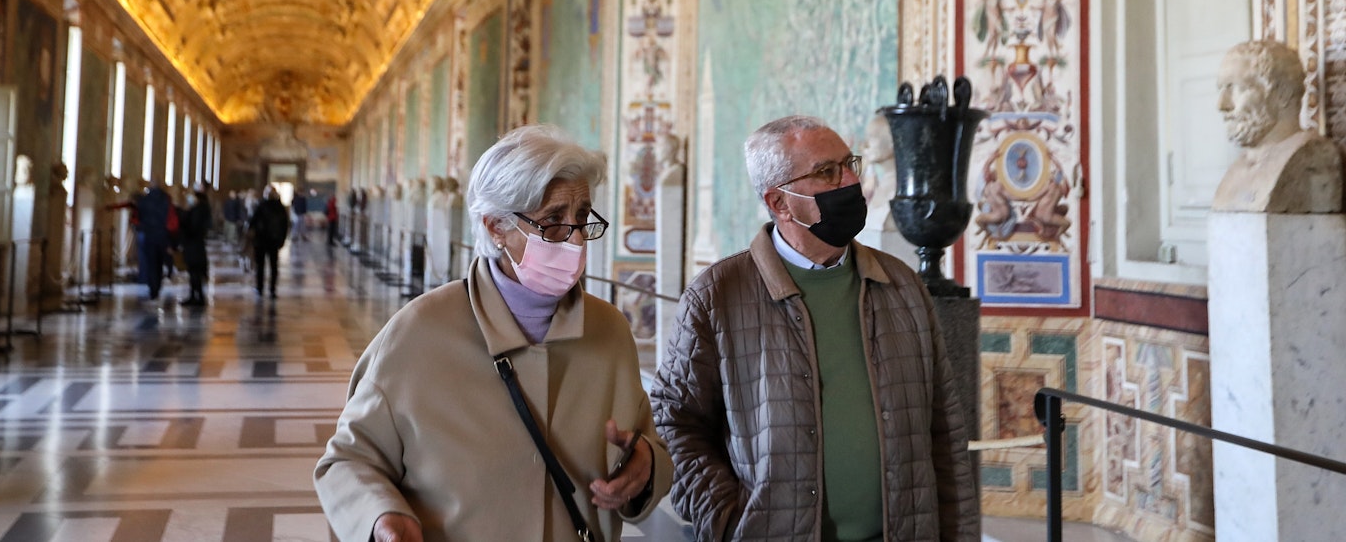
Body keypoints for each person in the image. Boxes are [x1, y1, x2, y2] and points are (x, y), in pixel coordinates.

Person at [315, 124, 671, 542]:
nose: (574, 239)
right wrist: (381, 517)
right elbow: (347, 461)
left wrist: (646, 468)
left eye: (581, 217)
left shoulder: (609, 333)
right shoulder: (418, 335)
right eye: (552, 220)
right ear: (495, 227)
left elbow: (647, 448)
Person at [651, 115, 978, 542]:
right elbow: (675, 422)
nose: (849, 181)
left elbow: (945, 431)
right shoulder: (716, 296)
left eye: (849, 164)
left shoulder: (902, 285)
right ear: (779, 203)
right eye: (827, 172)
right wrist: (727, 519)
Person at [1213, 39, 1343, 213]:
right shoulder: (1237, 168)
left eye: (1236, 88)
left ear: (1282, 94)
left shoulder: (1312, 157)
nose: (1222, 105)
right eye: (1221, 89)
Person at [249, 186, 290, 298]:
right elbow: (285, 225)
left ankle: (260, 288)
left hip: (261, 241)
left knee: (260, 266)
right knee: (273, 266)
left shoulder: (261, 205)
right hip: (273, 241)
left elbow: (252, 222)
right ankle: (272, 289)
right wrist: (282, 239)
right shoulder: (280, 207)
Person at [179, 185, 213, 306]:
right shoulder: (202, 209)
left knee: (194, 271)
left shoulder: (197, 210)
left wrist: (186, 212)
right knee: (195, 271)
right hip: (196, 244)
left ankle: (197, 297)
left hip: (193, 244)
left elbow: (191, 226)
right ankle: (195, 295)